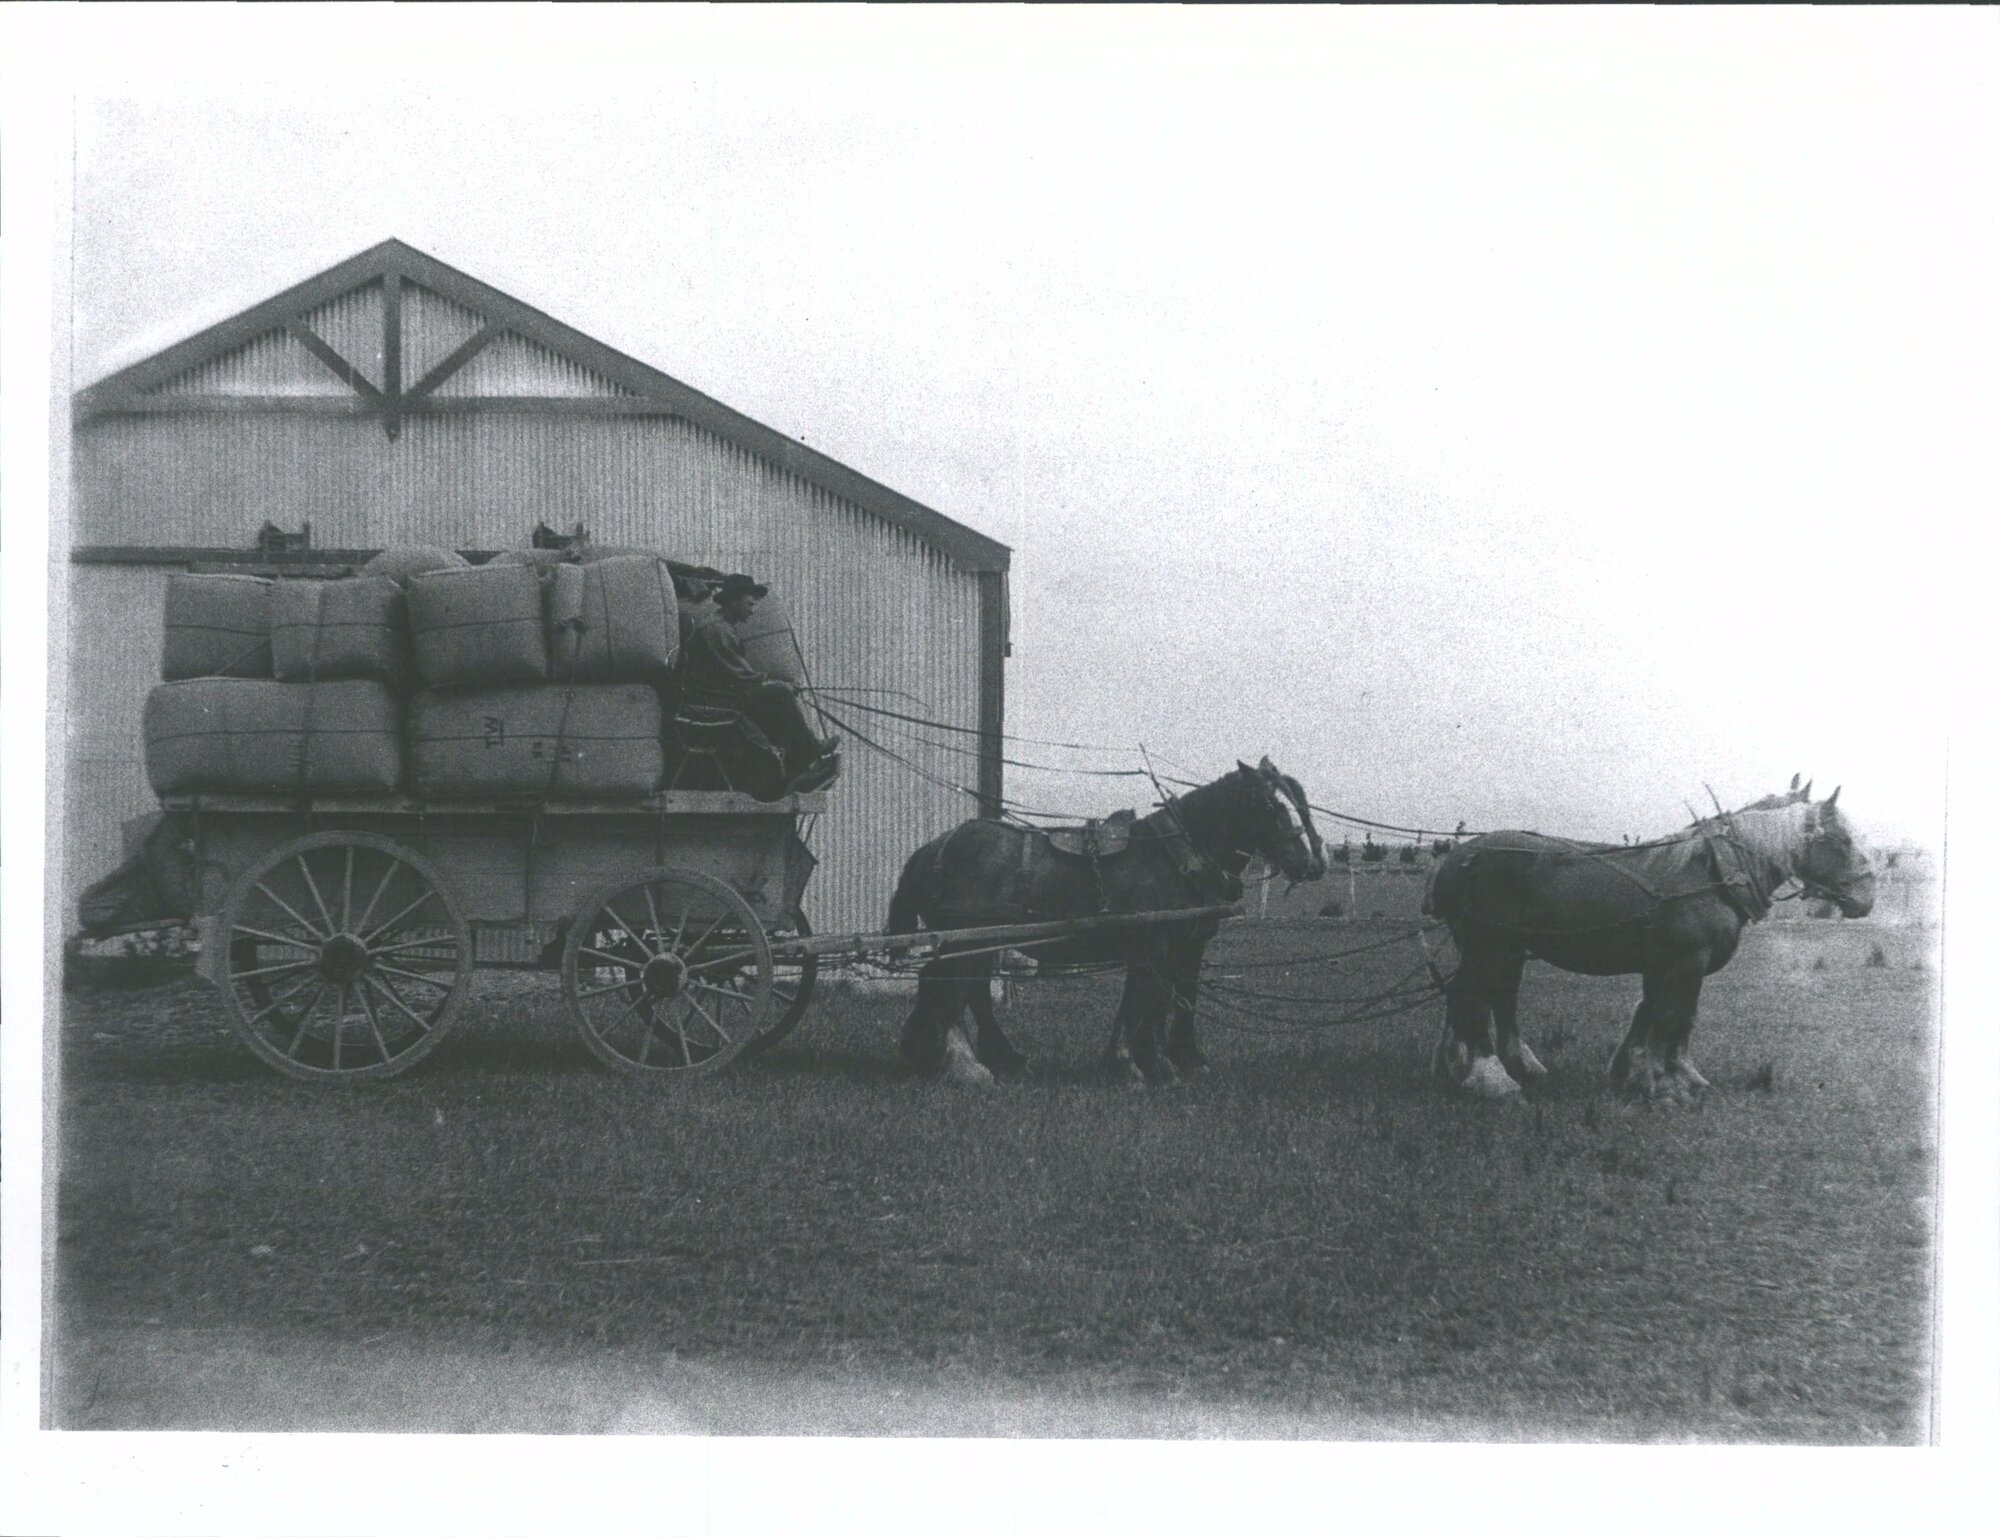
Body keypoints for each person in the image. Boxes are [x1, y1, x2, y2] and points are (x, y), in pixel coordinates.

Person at [679, 573, 841, 793]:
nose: (752, 610)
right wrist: (775, 684)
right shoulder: (716, 630)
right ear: (733, 600)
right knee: (779, 696)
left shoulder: (725, 626)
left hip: (722, 696)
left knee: (775, 701)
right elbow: (739, 675)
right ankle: (809, 752)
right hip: (712, 701)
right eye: (749, 604)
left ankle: (798, 769)